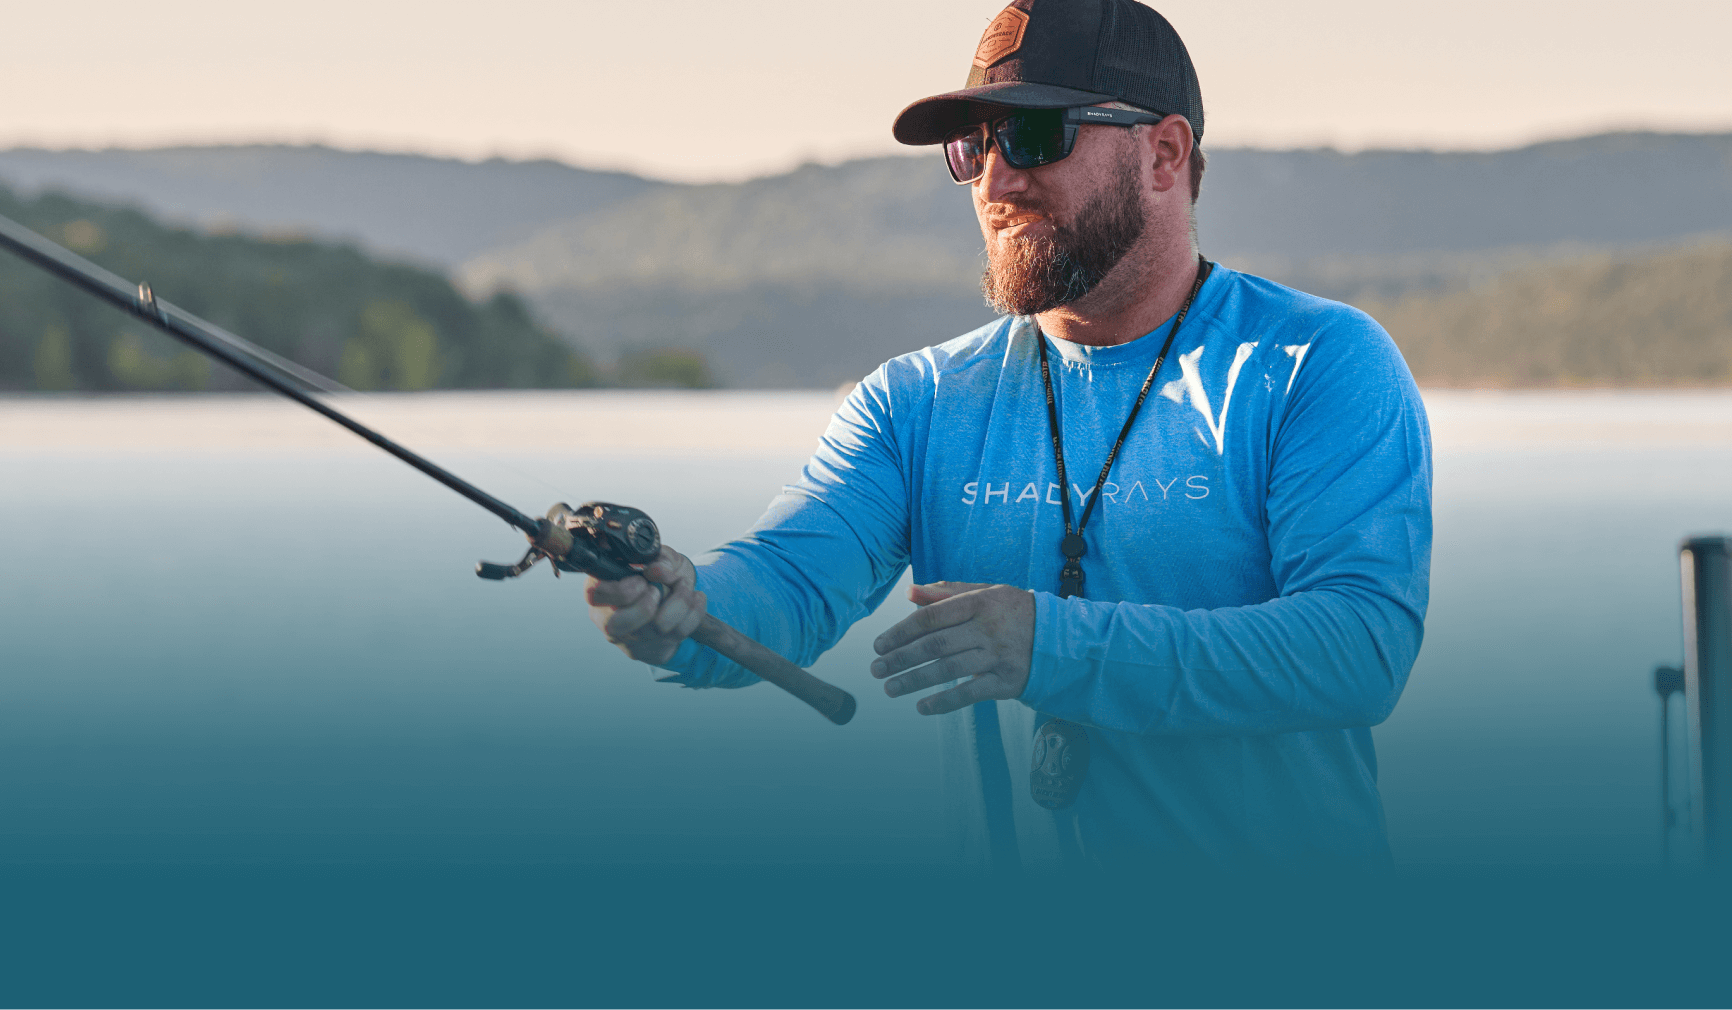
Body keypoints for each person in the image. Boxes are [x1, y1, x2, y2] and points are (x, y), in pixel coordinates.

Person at [585, 0, 1431, 869]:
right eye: (974, 147)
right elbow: (786, 586)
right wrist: (683, 603)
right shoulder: (915, 402)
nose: (994, 184)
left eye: (1033, 137)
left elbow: (1360, 649)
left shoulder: (1314, 362)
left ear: (1164, 154)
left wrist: (1050, 647)